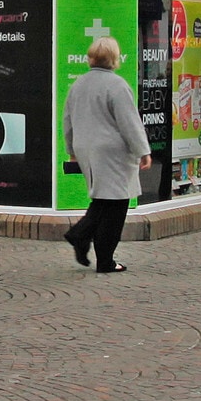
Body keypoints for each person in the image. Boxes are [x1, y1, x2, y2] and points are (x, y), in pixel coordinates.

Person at [61, 37, 152, 273]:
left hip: (86, 149)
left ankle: (83, 238)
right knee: (116, 205)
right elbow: (129, 123)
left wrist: (71, 150)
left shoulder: (77, 85)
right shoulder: (117, 85)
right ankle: (101, 255)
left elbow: (67, 122)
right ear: (115, 58)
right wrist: (143, 151)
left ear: (90, 57)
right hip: (113, 152)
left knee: (102, 200)